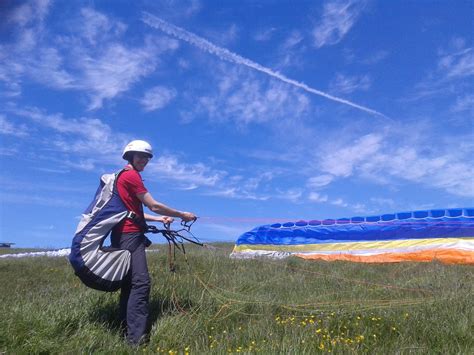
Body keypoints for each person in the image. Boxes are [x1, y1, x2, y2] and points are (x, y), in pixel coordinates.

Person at [111, 139, 196, 346]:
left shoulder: (122, 176)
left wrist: (159, 220)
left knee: (130, 284)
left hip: (123, 234)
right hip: (129, 236)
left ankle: (125, 330)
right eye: (140, 156)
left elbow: (133, 212)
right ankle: (136, 340)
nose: (144, 160)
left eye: (147, 157)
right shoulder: (131, 176)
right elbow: (153, 205)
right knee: (141, 283)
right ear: (130, 156)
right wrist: (182, 214)